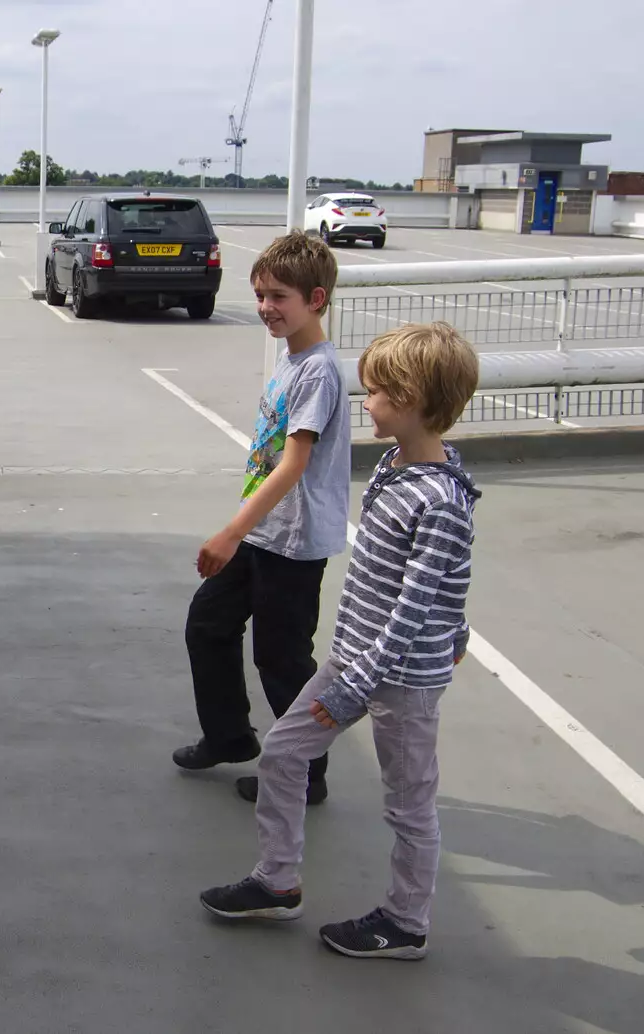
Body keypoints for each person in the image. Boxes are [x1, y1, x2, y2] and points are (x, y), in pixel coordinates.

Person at [199, 322, 481, 961]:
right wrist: (452, 627)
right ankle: (278, 879)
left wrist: (355, 688)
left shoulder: (437, 497)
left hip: (398, 679)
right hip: (355, 658)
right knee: (283, 753)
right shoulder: (396, 466)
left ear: (409, 400)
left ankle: (405, 923)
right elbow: (438, 583)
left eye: (377, 393)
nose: (367, 402)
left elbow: (414, 607)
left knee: (409, 806)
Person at [174, 231, 348, 806]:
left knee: (282, 659)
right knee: (209, 624)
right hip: (264, 530)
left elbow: (294, 463)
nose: (266, 307)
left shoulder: (318, 371)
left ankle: (306, 773)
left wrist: (230, 532)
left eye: (279, 296)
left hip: (292, 542)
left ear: (316, 299)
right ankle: (228, 736)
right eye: (260, 295)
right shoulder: (292, 359)